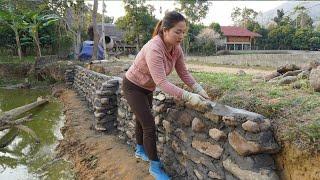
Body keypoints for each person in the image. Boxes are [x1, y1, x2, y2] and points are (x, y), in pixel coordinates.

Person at [122, 11, 209, 180]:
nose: (181, 36)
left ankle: (140, 150)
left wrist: (198, 88)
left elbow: (183, 72)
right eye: (178, 31)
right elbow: (162, 82)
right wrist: (188, 96)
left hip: (147, 87)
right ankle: (154, 167)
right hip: (133, 86)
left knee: (142, 118)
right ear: (165, 30)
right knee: (148, 124)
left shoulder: (176, 49)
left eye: (184, 32)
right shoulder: (154, 48)